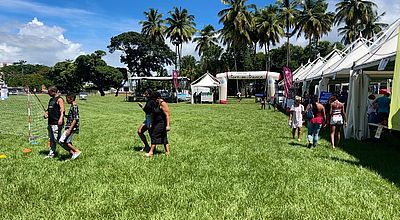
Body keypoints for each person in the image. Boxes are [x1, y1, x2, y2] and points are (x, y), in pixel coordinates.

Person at [145, 92, 171, 157]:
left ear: (158, 98)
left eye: (154, 99)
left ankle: (151, 152)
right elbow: (153, 114)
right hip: (156, 122)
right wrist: (151, 122)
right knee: (163, 136)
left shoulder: (163, 103)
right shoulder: (155, 104)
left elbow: (167, 114)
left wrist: (168, 125)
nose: (153, 100)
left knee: (154, 135)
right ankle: (167, 152)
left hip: (162, 123)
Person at [44, 86, 65, 158]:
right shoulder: (51, 100)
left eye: (49, 92)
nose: (48, 94)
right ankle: (51, 154)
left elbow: (62, 110)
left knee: (58, 139)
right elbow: (49, 109)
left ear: (53, 92)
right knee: (51, 139)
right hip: (50, 122)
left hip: (57, 122)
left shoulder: (59, 99)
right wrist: (46, 113)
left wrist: (61, 119)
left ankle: (72, 151)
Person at [59, 93, 81, 160]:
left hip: (71, 127)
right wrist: (64, 115)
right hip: (69, 127)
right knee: (67, 141)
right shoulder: (72, 106)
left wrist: (69, 129)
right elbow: (71, 117)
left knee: (62, 141)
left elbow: (75, 119)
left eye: (67, 99)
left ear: (71, 99)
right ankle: (72, 154)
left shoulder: (74, 106)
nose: (66, 101)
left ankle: (76, 151)